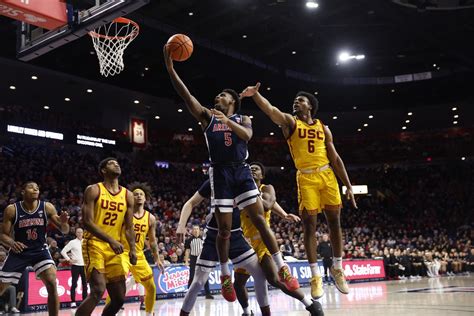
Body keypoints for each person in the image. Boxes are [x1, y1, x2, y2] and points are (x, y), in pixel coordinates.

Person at [164, 47, 298, 301]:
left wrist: (227, 122)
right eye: (217, 96)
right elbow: (187, 96)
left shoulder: (243, 118)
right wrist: (171, 69)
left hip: (241, 171)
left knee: (259, 218)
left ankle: (283, 266)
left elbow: (246, 136)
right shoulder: (207, 118)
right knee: (223, 230)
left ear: (232, 101)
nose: (217, 97)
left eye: (222, 95)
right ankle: (225, 275)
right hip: (220, 174)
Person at [241, 83, 357, 298]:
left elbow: (336, 158)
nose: (296, 101)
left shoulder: (323, 127)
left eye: (301, 100)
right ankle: (315, 276)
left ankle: (338, 267)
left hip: (327, 174)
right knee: (309, 226)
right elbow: (271, 111)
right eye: (295, 99)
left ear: (310, 106)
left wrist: (348, 184)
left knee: (334, 222)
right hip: (306, 177)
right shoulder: (290, 123)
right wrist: (256, 95)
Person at [234, 162, 324, 316]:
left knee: (275, 280)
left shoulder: (266, 188)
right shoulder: (240, 191)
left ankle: (310, 304)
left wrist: (281, 213)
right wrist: (283, 214)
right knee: (238, 284)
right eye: (249, 169)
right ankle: (247, 312)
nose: (252, 171)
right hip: (247, 243)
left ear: (262, 175)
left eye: (256, 169)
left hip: (264, 242)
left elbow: (268, 204)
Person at [176, 180, 272, 316]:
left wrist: (284, 214)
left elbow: (266, 205)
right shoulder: (214, 178)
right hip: (213, 235)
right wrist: (181, 225)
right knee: (198, 282)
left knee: (260, 274)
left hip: (236, 235)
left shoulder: (242, 179)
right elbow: (190, 202)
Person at [75, 158, 137, 316]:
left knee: (118, 298)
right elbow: (87, 222)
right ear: (103, 170)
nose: (116, 164)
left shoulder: (128, 195)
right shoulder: (94, 190)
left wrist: (133, 250)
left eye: (117, 163)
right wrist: (110, 240)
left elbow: (129, 227)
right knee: (98, 290)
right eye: (111, 163)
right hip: (94, 244)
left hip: (114, 248)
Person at [0, 181, 69, 316]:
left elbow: (64, 231)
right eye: (31, 187)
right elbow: (2, 235)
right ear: (22, 192)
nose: (36, 189)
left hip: (40, 251)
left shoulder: (47, 207)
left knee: (52, 283)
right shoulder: (12, 209)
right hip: (18, 252)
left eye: (37, 187)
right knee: (1, 287)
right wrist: (12, 243)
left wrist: (64, 222)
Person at [105, 182, 164, 316]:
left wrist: (157, 259)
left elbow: (153, 241)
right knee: (117, 287)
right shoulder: (124, 213)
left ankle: (149, 313)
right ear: (131, 197)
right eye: (135, 194)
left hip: (139, 255)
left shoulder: (151, 218)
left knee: (151, 287)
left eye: (141, 194)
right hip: (122, 253)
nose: (138, 196)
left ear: (145, 198)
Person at [184, 225, 213, 299]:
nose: (196, 230)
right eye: (194, 229)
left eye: (197, 229)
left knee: (205, 276)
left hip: (202, 258)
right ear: (192, 231)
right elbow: (187, 251)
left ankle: (208, 294)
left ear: (199, 230)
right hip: (193, 259)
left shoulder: (203, 239)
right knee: (192, 276)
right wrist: (186, 260)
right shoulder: (189, 240)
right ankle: (189, 294)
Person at [60, 228, 87, 307]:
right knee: (74, 283)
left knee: (84, 284)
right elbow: (63, 251)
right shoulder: (72, 242)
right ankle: (73, 301)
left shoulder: (85, 242)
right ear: (76, 233)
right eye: (78, 232)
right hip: (75, 266)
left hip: (84, 266)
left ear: (83, 233)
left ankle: (84, 301)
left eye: (81, 232)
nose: (79, 234)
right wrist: (69, 260)